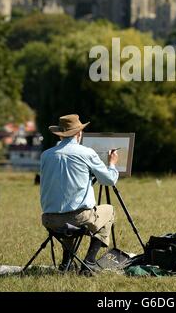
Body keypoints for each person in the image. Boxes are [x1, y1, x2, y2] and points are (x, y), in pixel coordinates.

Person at [40, 114, 119, 274]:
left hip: (49, 219)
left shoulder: (46, 155)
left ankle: (67, 262)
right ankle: (89, 262)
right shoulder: (86, 153)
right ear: (79, 133)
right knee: (109, 210)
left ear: (60, 134)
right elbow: (109, 180)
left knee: (70, 217)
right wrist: (112, 164)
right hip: (77, 219)